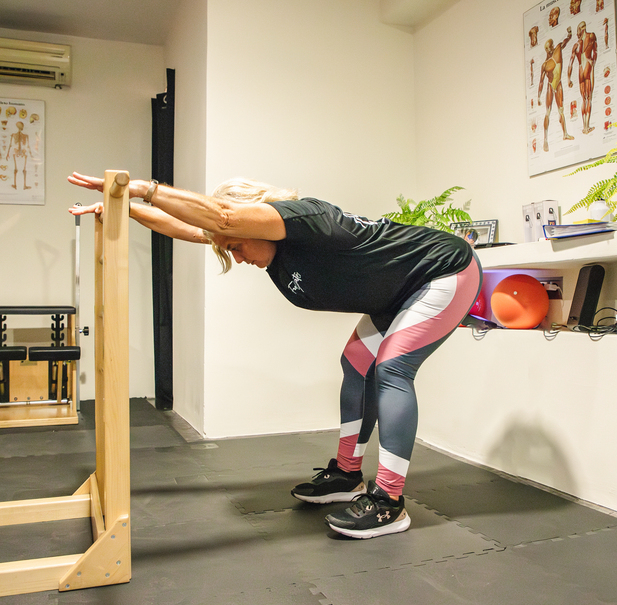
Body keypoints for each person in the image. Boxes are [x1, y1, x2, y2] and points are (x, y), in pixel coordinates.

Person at [68, 172, 482, 539]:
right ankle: (346, 474)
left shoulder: (307, 219)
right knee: (356, 365)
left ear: (255, 216)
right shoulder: (268, 246)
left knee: (392, 369)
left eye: (235, 245)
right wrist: (123, 209)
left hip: (442, 271)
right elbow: (197, 229)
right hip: (399, 290)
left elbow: (222, 220)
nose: (235, 254)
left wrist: (143, 188)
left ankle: (389, 502)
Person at [538, 28, 574, 152]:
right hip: (550, 85)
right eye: (550, 46)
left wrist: (569, 35)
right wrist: (538, 96)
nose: (552, 47)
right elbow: (541, 81)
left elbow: (564, 42)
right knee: (548, 112)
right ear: (547, 49)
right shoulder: (545, 64)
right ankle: (545, 140)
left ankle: (565, 134)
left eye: (552, 45)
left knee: (561, 110)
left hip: (558, 84)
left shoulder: (558, 50)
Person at [568, 22, 597, 135]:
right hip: (587, 69)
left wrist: (568, 78)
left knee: (585, 98)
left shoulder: (589, 38)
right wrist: (592, 61)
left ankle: (585, 126)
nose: (577, 33)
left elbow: (571, 63)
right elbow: (595, 52)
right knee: (588, 98)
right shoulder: (589, 38)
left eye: (578, 30)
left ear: (582, 29)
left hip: (581, 69)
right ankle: (586, 126)